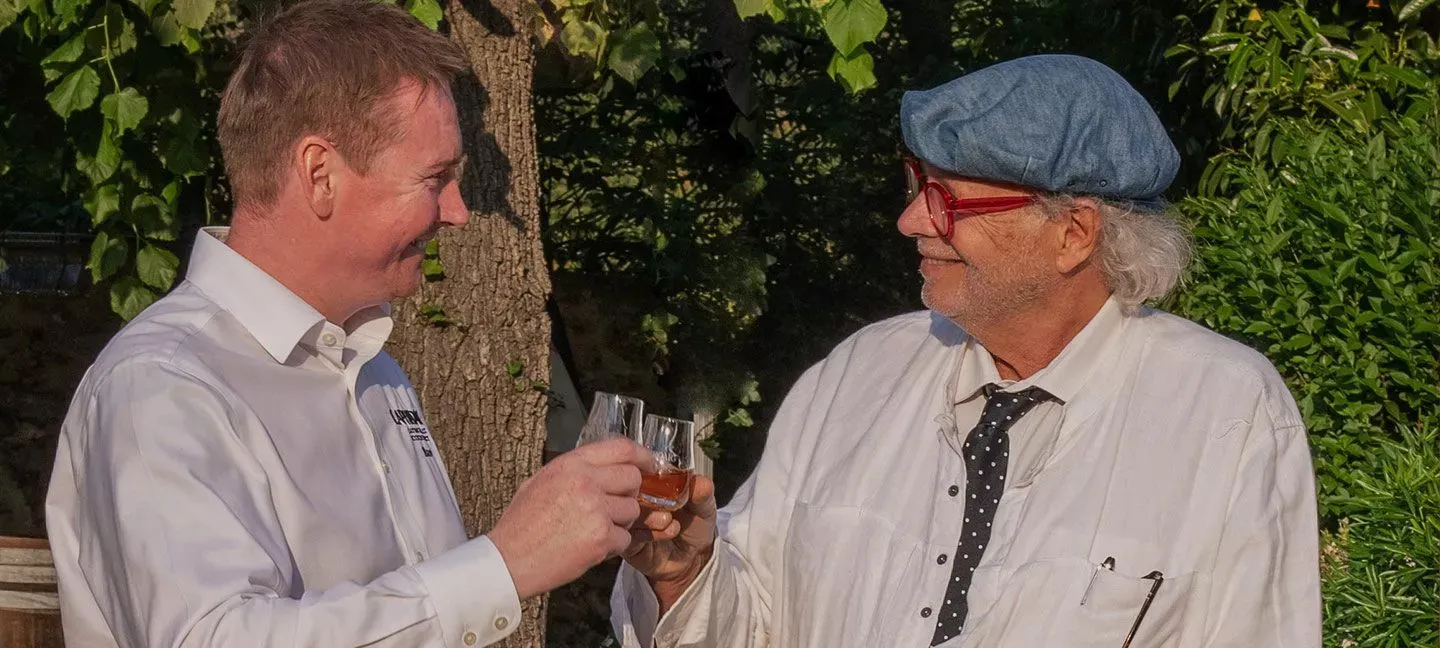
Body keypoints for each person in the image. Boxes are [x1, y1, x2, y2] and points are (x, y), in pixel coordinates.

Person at [615, 54, 1321, 647]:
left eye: (947, 200)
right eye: (916, 185)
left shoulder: (1221, 412)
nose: (910, 220)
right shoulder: (856, 378)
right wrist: (683, 572)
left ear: (1073, 234)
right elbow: (755, 621)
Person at [44, 1, 655, 646]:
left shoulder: (371, 366)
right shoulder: (162, 386)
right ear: (319, 175)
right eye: (435, 178)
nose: (457, 213)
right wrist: (502, 565)